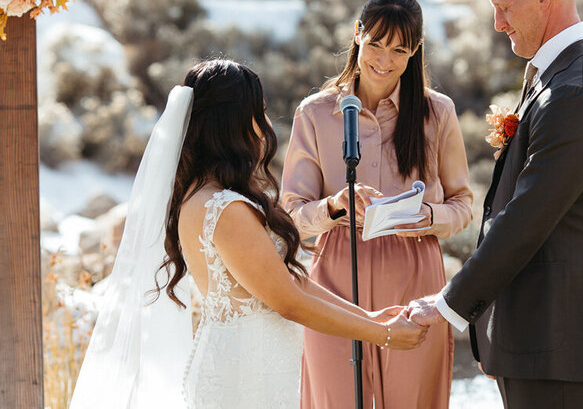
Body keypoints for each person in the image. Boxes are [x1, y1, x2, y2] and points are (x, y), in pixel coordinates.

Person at [70, 59, 428, 409]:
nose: (266, 124)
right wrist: (383, 336)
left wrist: (374, 318)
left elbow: (290, 279)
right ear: (234, 122)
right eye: (259, 111)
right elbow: (286, 300)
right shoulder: (224, 209)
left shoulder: (206, 196)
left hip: (252, 369)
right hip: (242, 378)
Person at [408, 0, 583, 409]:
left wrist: (448, 304)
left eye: (504, 6)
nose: (497, 22)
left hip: (557, 342)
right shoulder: (565, 78)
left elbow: (525, 221)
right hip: (543, 340)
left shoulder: (576, 93)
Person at [281, 0, 473, 409]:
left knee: (410, 401)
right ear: (357, 35)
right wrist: (335, 206)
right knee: (334, 399)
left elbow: (462, 205)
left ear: (415, 50)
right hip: (334, 274)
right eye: (376, 44)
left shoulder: (437, 113)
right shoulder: (315, 113)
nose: (384, 60)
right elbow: (292, 213)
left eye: (399, 49)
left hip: (414, 273)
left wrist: (426, 216)